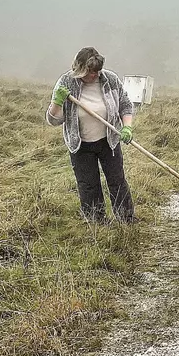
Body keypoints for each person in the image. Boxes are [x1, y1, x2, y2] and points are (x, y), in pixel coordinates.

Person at [46, 47, 136, 224]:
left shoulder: (110, 79)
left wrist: (127, 128)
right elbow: (53, 120)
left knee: (117, 180)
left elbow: (125, 104)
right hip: (80, 144)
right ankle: (97, 223)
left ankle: (126, 219)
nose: (94, 75)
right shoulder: (66, 83)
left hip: (109, 141)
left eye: (97, 70)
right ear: (79, 69)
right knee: (88, 185)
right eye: (90, 71)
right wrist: (57, 102)